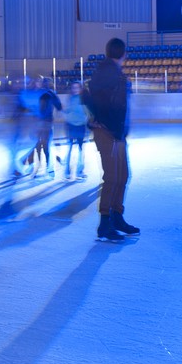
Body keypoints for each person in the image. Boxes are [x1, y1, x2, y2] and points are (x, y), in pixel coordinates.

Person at [83, 38, 138, 241]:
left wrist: (96, 119)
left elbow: (88, 98)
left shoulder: (106, 74)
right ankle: (105, 222)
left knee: (123, 175)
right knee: (114, 177)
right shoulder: (111, 76)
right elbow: (114, 107)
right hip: (110, 133)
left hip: (115, 133)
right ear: (123, 54)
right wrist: (107, 126)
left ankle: (116, 216)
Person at [24, 77, 63, 178]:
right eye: (37, 81)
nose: (39, 83)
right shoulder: (34, 93)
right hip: (36, 123)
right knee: (37, 147)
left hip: (46, 122)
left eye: (41, 82)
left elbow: (59, 106)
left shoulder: (49, 94)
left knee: (45, 146)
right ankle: (36, 167)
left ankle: (49, 168)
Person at [61, 81, 89, 180]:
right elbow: (66, 110)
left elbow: (87, 112)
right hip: (71, 126)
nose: (75, 90)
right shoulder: (70, 99)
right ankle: (67, 170)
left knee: (81, 149)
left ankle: (80, 171)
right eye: (73, 88)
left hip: (81, 126)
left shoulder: (84, 99)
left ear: (80, 89)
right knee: (70, 148)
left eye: (77, 88)